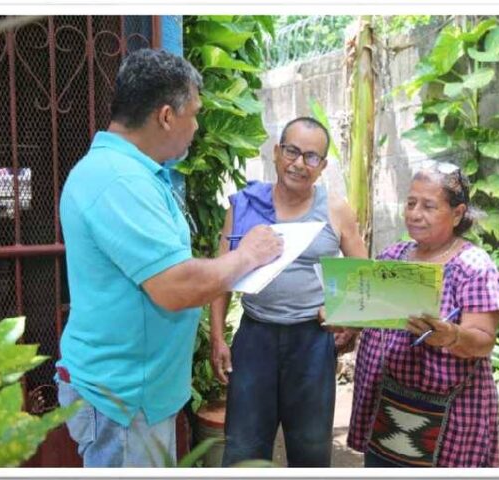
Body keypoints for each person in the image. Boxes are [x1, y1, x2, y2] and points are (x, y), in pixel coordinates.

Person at [55, 48, 284, 468]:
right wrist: (248, 254)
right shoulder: (118, 180)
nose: (196, 126)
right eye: (193, 113)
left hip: (135, 391)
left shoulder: (133, 173)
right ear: (165, 116)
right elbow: (177, 286)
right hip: (123, 396)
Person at [209, 117, 367, 467]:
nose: (299, 163)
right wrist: (218, 337)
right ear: (277, 152)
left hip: (311, 342)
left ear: (323, 166)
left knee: (310, 448)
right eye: (292, 151)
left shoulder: (335, 210)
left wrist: (348, 320)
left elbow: (362, 274)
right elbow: (220, 273)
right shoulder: (245, 206)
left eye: (312, 157)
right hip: (255, 337)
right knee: (244, 446)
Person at [345, 160, 499, 467]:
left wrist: (452, 335)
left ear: (457, 214)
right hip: (389, 409)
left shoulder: (473, 267)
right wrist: (346, 322)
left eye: (429, 206)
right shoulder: (393, 257)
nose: (415, 214)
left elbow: (484, 340)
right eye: (411, 203)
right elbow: (372, 316)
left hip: (449, 418)